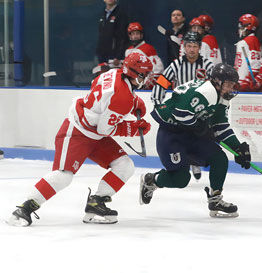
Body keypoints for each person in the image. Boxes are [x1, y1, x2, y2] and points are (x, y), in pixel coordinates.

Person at [8, 52, 153, 227]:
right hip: (77, 132)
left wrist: (134, 100)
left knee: (125, 165)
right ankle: (25, 208)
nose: (145, 78)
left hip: (95, 133)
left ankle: (96, 202)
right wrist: (132, 128)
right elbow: (105, 128)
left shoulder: (114, 73)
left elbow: (99, 89)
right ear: (133, 74)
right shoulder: (123, 99)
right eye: (143, 74)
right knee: (64, 176)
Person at [140, 63, 251, 218]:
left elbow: (220, 126)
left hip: (190, 134)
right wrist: (201, 128)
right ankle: (152, 180)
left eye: (233, 85)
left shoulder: (221, 97)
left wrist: (238, 148)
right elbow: (180, 113)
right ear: (217, 82)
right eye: (229, 84)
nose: (231, 89)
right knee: (181, 179)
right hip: (172, 134)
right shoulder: (207, 92)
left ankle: (215, 199)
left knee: (219, 158)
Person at [152, 31, 214, 180]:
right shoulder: (176, 65)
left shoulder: (208, 65)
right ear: (184, 47)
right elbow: (163, 81)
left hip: (200, 109)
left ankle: (195, 161)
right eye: (189, 46)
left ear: (199, 47)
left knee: (198, 136)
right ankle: (188, 163)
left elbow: (215, 86)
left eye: (194, 46)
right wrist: (157, 100)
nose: (192, 49)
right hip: (180, 108)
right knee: (182, 136)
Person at [125, 22, 164, 89]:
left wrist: (145, 84)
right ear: (130, 36)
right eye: (133, 34)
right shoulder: (128, 51)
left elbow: (158, 69)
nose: (135, 36)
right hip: (133, 84)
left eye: (137, 33)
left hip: (146, 85)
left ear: (141, 35)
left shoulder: (147, 48)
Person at [95, 0, 129, 67]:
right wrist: (98, 53)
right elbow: (101, 35)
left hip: (115, 58)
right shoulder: (102, 14)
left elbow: (123, 37)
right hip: (103, 56)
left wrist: (118, 56)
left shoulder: (121, 13)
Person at [234, 14, 262, 91]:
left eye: (242, 27)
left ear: (248, 27)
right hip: (241, 81)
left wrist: (248, 80)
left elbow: (256, 64)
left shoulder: (250, 41)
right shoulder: (247, 41)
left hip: (245, 83)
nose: (240, 30)